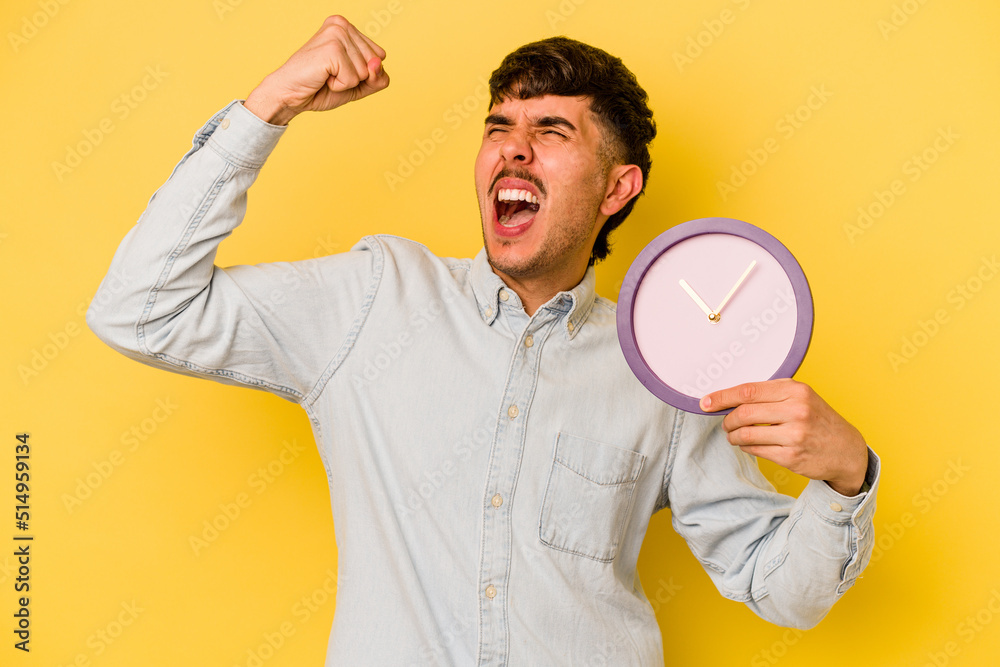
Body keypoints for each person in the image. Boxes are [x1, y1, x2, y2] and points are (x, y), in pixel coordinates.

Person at [87, 15, 879, 666]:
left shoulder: (663, 363)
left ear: (618, 186)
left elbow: (781, 589)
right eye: (499, 126)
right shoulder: (373, 298)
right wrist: (268, 106)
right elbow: (138, 309)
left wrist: (847, 476)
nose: (513, 147)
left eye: (552, 129)